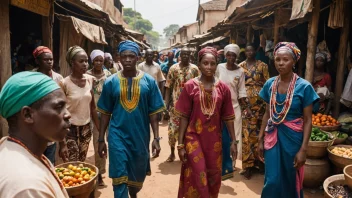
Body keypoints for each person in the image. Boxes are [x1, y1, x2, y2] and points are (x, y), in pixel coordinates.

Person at [97, 41, 165, 198]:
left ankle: (133, 193)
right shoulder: (110, 82)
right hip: (117, 135)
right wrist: (101, 139)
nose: (127, 60)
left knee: (137, 176)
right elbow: (105, 113)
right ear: (119, 58)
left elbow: (153, 113)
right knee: (119, 176)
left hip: (140, 136)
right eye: (124, 56)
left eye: (131, 56)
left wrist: (156, 138)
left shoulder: (149, 82)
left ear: (138, 58)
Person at [258, 42, 319, 198]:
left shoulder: (304, 87)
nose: (281, 63)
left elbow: (307, 120)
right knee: (272, 179)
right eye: (277, 59)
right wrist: (259, 140)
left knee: (290, 177)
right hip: (272, 136)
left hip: (293, 139)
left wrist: (303, 150)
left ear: (294, 61)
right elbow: (267, 113)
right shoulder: (269, 84)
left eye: (285, 59)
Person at [176, 47, 237, 198]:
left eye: (212, 63)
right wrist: (180, 144)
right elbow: (183, 116)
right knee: (198, 173)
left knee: (213, 177)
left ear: (217, 64)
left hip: (215, 140)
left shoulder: (224, 88)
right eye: (205, 63)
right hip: (193, 137)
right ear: (199, 64)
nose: (209, 67)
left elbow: (228, 117)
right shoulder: (190, 86)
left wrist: (233, 141)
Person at [0, 72, 71, 198]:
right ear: (28, 115)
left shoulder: (12, 147)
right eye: (59, 107)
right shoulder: (28, 187)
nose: (68, 114)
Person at [60, 46, 100, 162]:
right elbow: (61, 111)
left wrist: (100, 132)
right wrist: (62, 142)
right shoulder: (64, 83)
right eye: (81, 61)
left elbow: (92, 108)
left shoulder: (90, 80)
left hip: (86, 127)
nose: (85, 64)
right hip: (69, 128)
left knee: (82, 160)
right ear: (72, 63)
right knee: (72, 161)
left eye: (86, 61)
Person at [216, 44, 249, 180]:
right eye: (228, 55)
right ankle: (218, 161)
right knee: (218, 133)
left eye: (233, 55)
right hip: (218, 107)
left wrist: (246, 107)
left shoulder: (240, 71)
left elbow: (241, 91)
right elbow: (214, 83)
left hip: (234, 107)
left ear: (237, 56)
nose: (230, 57)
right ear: (225, 56)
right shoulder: (219, 67)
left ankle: (233, 162)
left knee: (234, 136)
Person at [239, 44, 270, 179]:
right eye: (247, 50)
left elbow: (267, 83)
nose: (249, 52)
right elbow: (238, 85)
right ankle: (248, 166)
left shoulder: (262, 65)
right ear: (245, 52)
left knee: (260, 133)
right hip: (245, 104)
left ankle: (260, 162)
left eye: (252, 50)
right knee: (247, 134)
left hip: (261, 104)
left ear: (255, 51)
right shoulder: (240, 67)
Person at [164, 47, 200, 162]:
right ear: (179, 55)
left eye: (187, 54)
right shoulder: (173, 68)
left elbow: (200, 86)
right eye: (183, 54)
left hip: (191, 105)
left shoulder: (194, 69)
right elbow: (168, 87)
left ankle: (188, 152)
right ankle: (172, 152)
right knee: (172, 130)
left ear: (190, 55)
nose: (185, 56)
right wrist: (166, 104)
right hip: (175, 105)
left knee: (189, 130)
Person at [32, 46, 66, 165]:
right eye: (46, 60)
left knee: (50, 163)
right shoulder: (31, 79)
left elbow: (61, 106)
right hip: (36, 126)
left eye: (51, 59)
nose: (50, 62)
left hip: (52, 126)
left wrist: (62, 143)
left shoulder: (58, 79)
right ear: (37, 61)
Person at [86, 49, 111, 186]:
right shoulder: (87, 75)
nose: (98, 63)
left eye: (101, 60)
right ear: (92, 61)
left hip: (108, 113)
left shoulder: (108, 75)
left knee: (112, 140)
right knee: (97, 142)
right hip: (93, 114)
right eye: (96, 60)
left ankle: (114, 170)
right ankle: (100, 173)